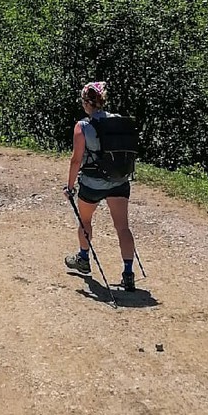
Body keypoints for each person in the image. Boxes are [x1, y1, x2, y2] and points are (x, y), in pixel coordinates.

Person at [64, 81, 138, 292]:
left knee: (85, 220)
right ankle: (128, 273)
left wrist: (69, 187)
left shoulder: (83, 126)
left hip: (92, 183)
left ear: (87, 103)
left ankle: (84, 258)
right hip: (119, 181)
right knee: (123, 227)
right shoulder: (119, 121)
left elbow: (75, 160)